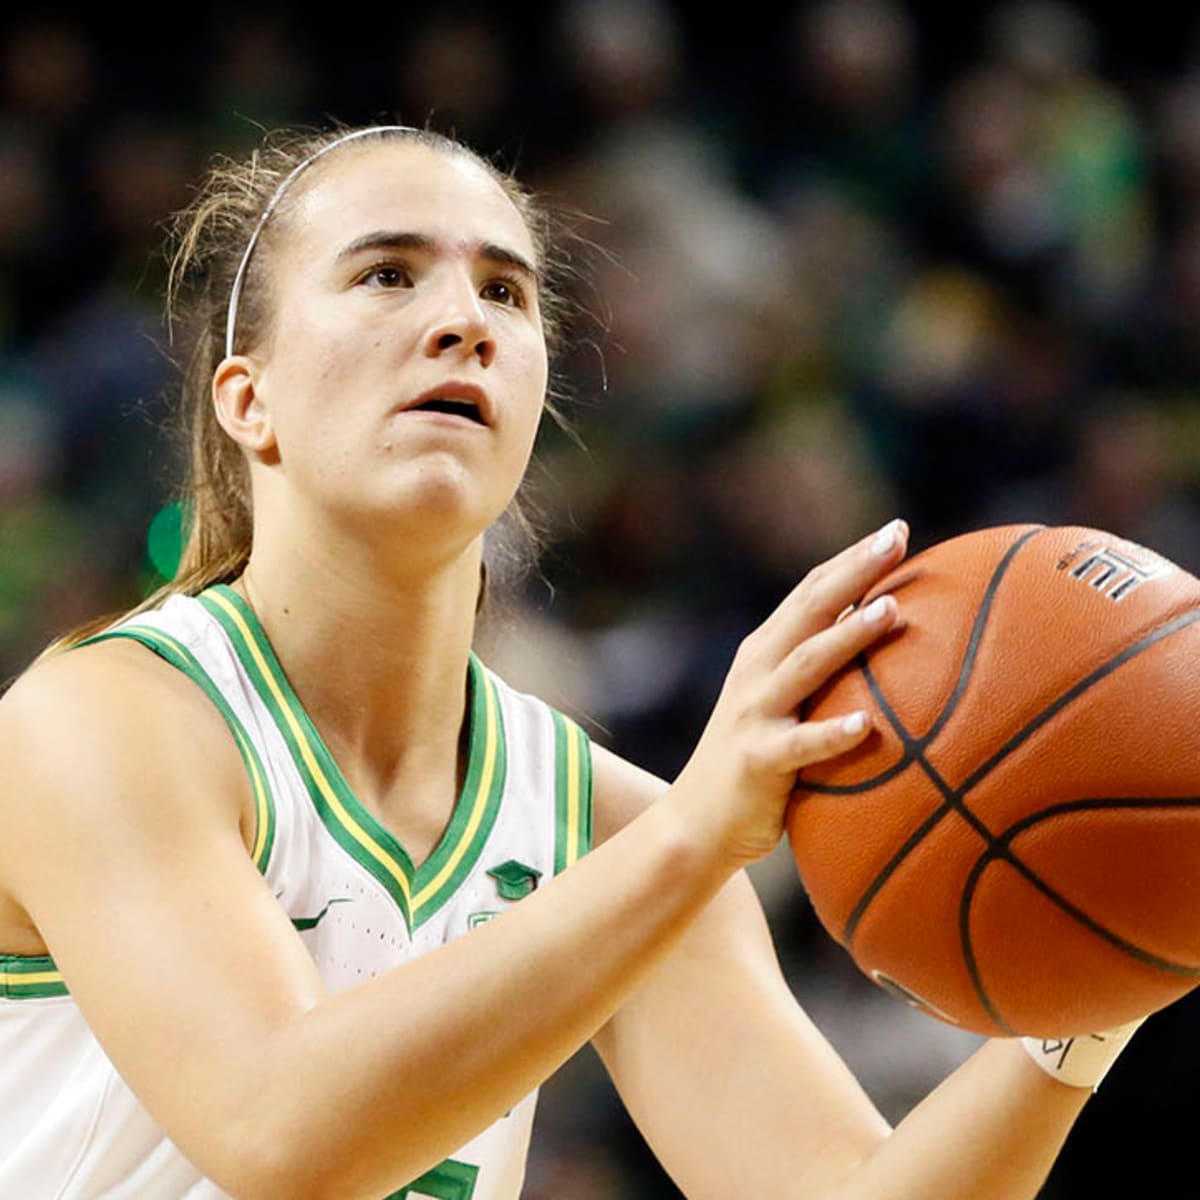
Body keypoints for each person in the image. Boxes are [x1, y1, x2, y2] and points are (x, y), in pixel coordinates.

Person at [0, 123, 1141, 1200]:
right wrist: (694, 837)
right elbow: (276, 1132)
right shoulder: (101, 721)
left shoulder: (605, 826)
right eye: (388, 274)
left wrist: (1111, 972)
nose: (466, 320)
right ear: (250, 401)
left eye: (506, 291)